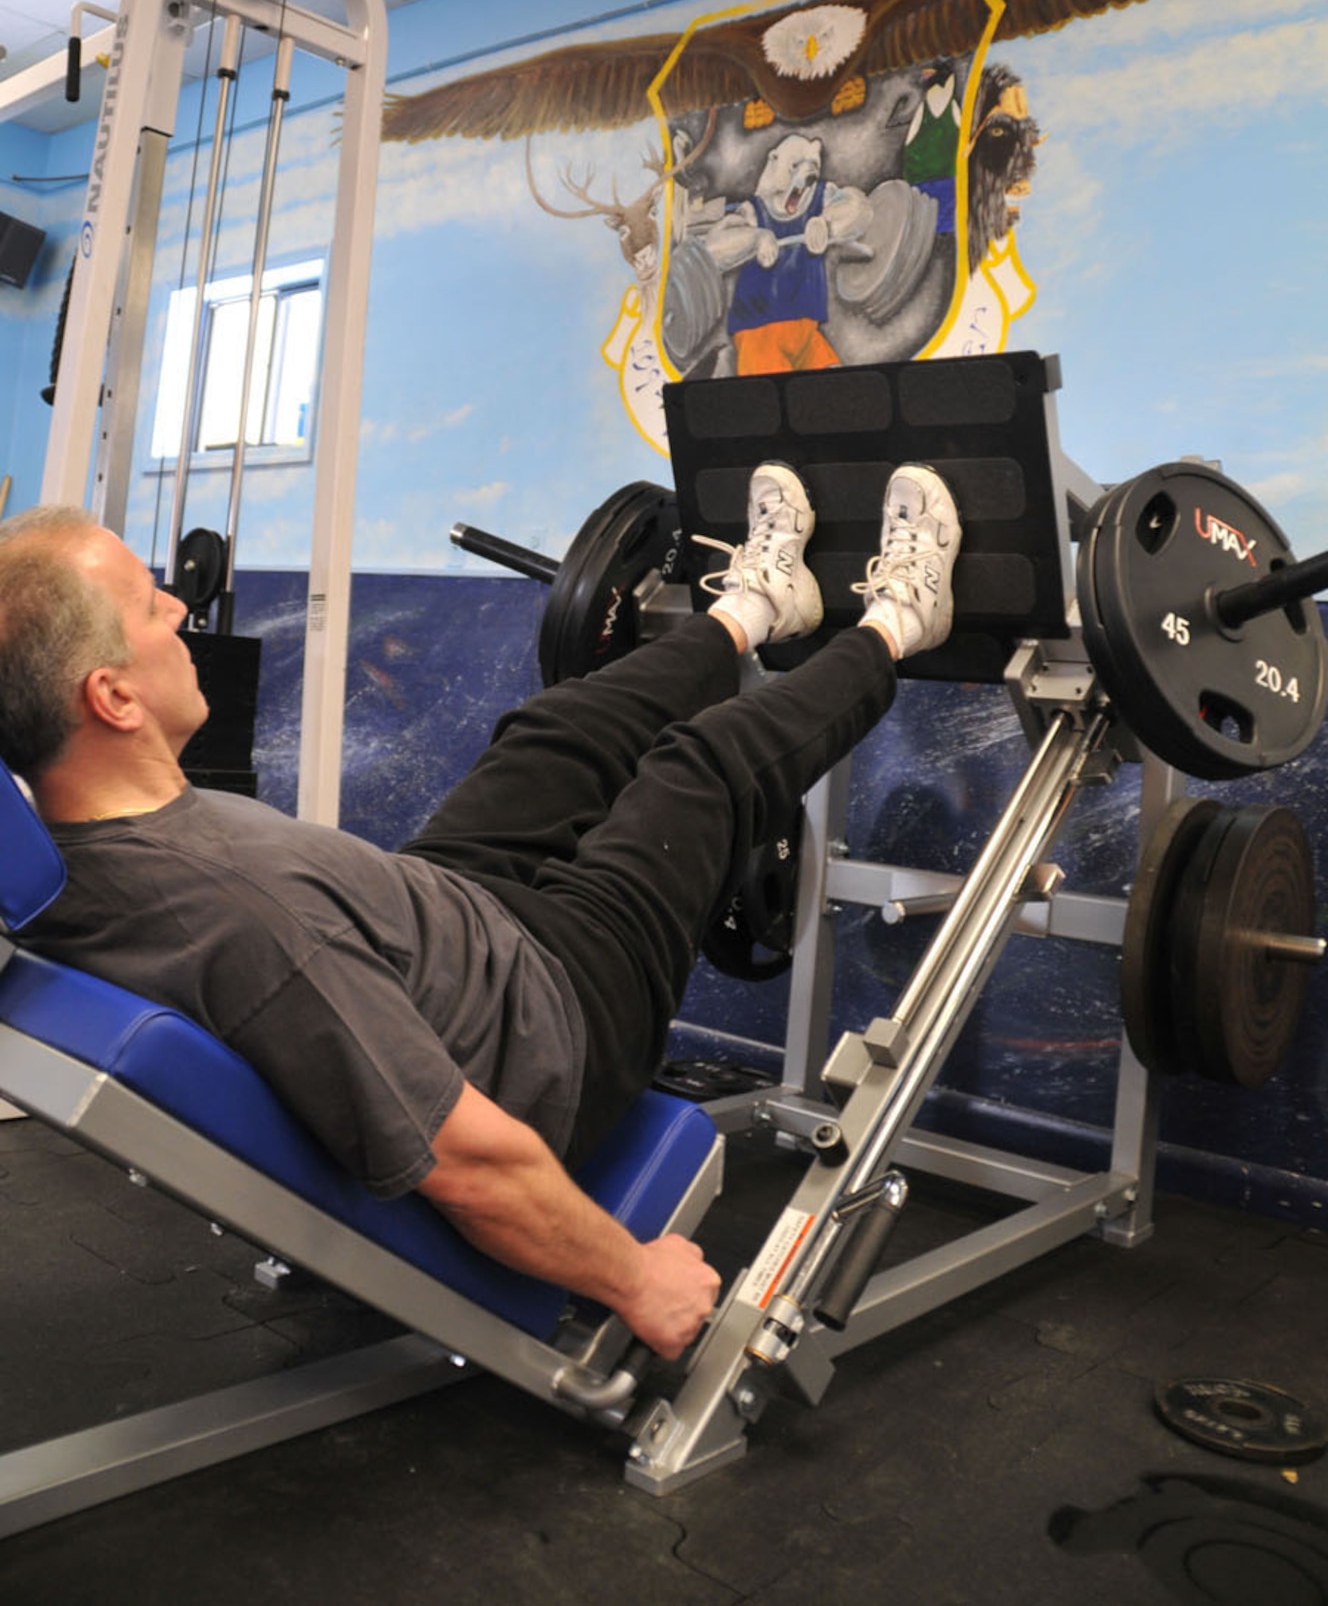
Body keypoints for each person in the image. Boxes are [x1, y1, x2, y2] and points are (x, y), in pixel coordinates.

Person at [0, 461, 960, 1359]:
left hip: (448, 922)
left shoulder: (76, 843)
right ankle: (899, 621)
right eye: (148, 603)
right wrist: (637, 1279)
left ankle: (754, 610)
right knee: (699, 772)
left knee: (554, 731)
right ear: (114, 696)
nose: (178, 605)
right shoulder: (245, 923)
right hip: (554, 1021)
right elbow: (468, 1162)